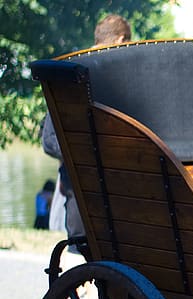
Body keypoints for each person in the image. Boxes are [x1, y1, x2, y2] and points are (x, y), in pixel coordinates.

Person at [41, 14, 132, 256]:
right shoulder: (81, 73)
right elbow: (51, 140)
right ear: (122, 39)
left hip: (85, 196)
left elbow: (50, 141)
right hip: (91, 196)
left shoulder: (68, 71)